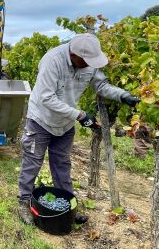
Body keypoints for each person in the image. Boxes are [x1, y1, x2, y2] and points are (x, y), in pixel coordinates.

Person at [17, 33, 140, 225]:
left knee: (62, 165)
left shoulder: (88, 62)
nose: (91, 65)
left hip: (65, 123)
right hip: (40, 120)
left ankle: (68, 206)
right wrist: (80, 115)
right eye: (87, 61)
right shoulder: (53, 60)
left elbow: (101, 85)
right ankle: (24, 202)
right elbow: (46, 98)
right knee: (32, 162)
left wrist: (122, 95)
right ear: (74, 55)